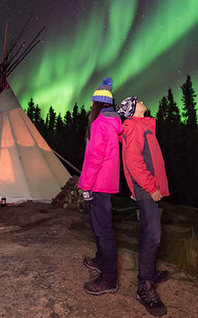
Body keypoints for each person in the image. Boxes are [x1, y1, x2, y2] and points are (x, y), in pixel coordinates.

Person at [117, 96, 170, 317]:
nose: (141, 102)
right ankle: (144, 288)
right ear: (132, 110)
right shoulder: (133, 127)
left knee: (150, 233)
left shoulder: (141, 125)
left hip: (147, 187)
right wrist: (150, 187)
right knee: (153, 235)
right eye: (137, 101)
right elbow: (133, 162)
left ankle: (149, 272)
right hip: (146, 189)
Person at [78, 77, 123, 295]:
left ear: (96, 104)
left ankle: (109, 278)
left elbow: (95, 157)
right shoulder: (112, 124)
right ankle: (101, 261)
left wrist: (86, 185)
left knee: (104, 231)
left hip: (98, 184)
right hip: (105, 183)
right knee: (98, 227)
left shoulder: (99, 124)